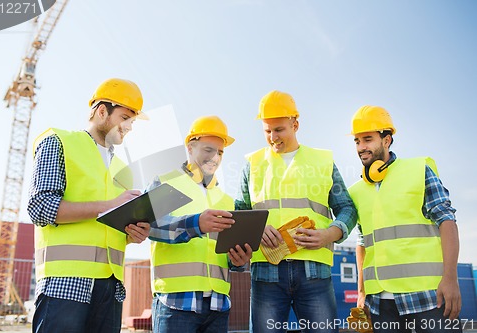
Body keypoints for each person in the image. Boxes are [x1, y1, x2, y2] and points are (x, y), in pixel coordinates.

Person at [28, 78, 151, 333]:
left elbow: (106, 228)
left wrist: (131, 234)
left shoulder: (123, 171)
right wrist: (109, 205)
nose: (128, 127)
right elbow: (41, 207)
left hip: (110, 287)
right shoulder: (59, 141)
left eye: (132, 121)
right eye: (125, 117)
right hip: (65, 282)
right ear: (102, 110)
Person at [235, 90, 358, 333]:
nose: (272, 137)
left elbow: (347, 208)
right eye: (267, 130)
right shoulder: (253, 163)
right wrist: (255, 230)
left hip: (314, 270)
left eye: (279, 129)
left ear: (295, 125)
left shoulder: (322, 161)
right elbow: (240, 213)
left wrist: (329, 234)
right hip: (266, 272)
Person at [348, 105, 462, 332]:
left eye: (368, 139)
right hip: (380, 302)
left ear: (387, 140)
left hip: (429, 297)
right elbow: (362, 242)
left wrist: (450, 279)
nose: (362, 148)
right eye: (357, 141)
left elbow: (447, 220)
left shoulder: (418, 171)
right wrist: (362, 292)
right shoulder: (357, 190)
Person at [148, 115, 253, 333]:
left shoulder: (226, 200)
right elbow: (149, 226)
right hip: (176, 302)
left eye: (220, 152)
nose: (215, 157)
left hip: (217, 306)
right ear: (190, 148)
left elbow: (226, 255)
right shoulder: (169, 183)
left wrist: (239, 260)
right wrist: (196, 224)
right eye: (208, 150)